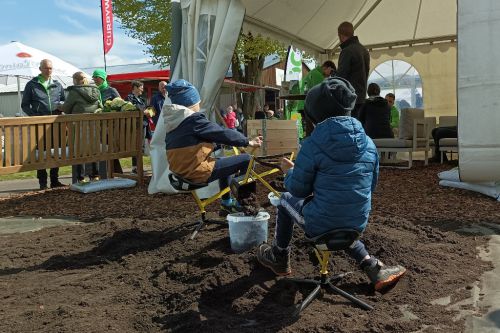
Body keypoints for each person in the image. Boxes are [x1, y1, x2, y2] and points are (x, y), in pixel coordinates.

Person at [256, 77, 406, 291]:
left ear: (314, 113)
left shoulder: (313, 144)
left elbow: (297, 189)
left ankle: (279, 256)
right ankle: (372, 266)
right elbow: (369, 187)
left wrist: (289, 171)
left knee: (284, 200)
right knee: (339, 211)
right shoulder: (369, 144)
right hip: (357, 221)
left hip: (321, 224)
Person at [164, 80, 263, 215]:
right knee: (247, 159)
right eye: (198, 102)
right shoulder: (193, 119)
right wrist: (247, 141)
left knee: (223, 162)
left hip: (180, 172)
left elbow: (192, 145)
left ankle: (227, 203)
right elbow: (221, 132)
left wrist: (220, 143)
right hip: (195, 172)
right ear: (192, 103)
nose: (199, 105)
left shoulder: (174, 122)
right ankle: (245, 203)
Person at [21, 59, 66, 190]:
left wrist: (61, 109)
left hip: (55, 123)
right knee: (41, 153)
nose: (49, 70)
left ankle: (54, 180)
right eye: (46, 68)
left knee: (55, 151)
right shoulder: (31, 84)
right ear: (40, 69)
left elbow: (63, 101)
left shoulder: (58, 85)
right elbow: (25, 105)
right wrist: (35, 117)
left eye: (51, 68)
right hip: (39, 124)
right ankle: (42, 183)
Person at [62, 71, 102, 183]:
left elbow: (66, 108)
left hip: (79, 125)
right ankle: (95, 175)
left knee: (79, 149)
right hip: (94, 125)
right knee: (94, 148)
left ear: (75, 80)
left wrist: (59, 106)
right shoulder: (96, 90)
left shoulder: (74, 91)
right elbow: (100, 106)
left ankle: (81, 177)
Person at [336, 21, 370, 120]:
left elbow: (341, 77)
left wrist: (333, 74)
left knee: (348, 129)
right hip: (361, 97)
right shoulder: (364, 50)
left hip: (349, 99)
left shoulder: (347, 51)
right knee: (357, 128)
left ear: (341, 35)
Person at [92, 69, 122, 173]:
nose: (94, 79)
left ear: (102, 78)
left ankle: (116, 172)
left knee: (109, 147)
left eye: (96, 77)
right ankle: (102, 172)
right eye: (93, 77)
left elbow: (120, 104)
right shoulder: (94, 91)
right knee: (100, 148)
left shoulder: (111, 90)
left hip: (110, 125)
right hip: (98, 124)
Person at [126, 80, 150, 174]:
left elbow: (148, 109)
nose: (142, 89)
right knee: (137, 146)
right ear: (135, 88)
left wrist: (150, 112)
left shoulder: (141, 99)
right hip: (135, 125)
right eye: (141, 87)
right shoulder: (129, 98)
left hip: (144, 124)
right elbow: (131, 107)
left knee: (141, 146)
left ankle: (139, 167)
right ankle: (135, 168)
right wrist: (144, 111)